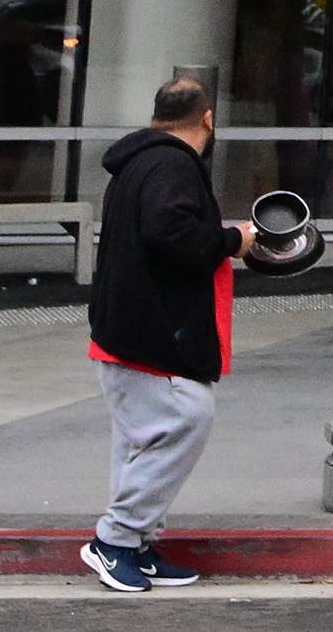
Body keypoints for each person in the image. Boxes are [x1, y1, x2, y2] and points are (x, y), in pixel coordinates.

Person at [80, 76, 250, 593]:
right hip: (153, 331)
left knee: (141, 440)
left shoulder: (138, 162)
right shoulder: (174, 164)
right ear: (208, 119)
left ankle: (134, 544)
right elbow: (170, 233)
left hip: (125, 328)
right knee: (185, 417)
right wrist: (233, 239)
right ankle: (115, 540)